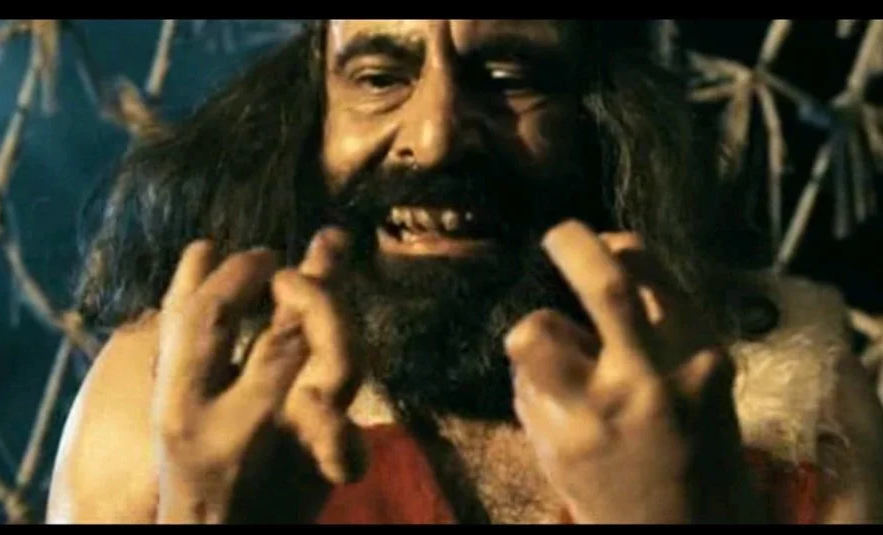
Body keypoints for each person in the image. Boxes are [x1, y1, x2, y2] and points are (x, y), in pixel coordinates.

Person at [45, 20, 883, 524]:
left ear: (603, 119)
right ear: (308, 112)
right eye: (380, 78)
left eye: (508, 78)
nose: (436, 134)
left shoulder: (794, 407)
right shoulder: (172, 402)